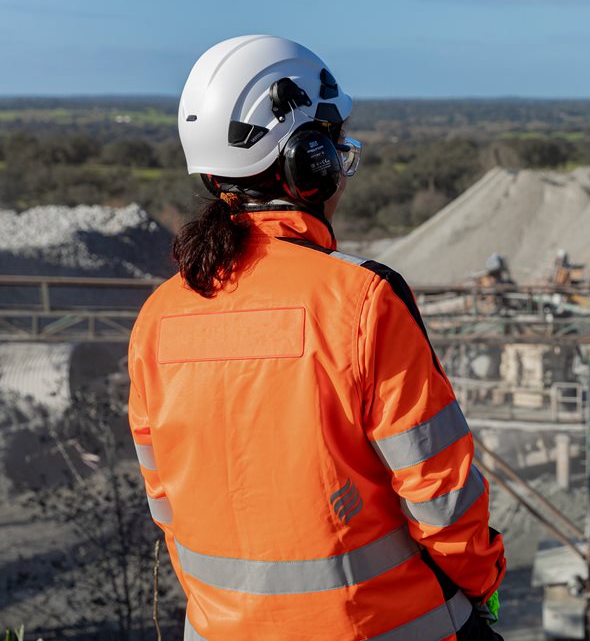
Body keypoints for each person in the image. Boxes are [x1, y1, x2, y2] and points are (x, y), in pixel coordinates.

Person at [127, 35, 506, 640]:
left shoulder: (158, 316)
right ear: (309, 163)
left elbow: (166, 503)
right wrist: (483, 584)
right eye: (333, 145)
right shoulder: (363, 301)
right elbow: (440, 495)